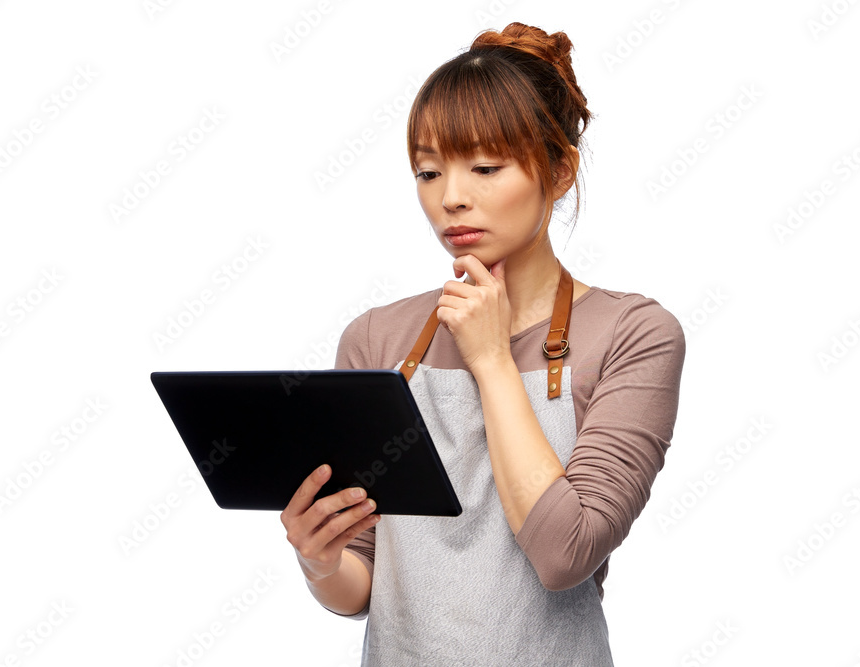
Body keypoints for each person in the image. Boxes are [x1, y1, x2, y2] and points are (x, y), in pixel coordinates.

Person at [281, 22, 686, 666]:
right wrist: (319, 559)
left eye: (486, 168)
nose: (451, 198)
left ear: (560, 171)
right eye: (428, 171)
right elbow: (362, 582)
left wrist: (493, 358)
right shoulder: (375, 339)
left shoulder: (633, 334)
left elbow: (565, 553)